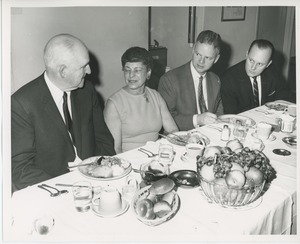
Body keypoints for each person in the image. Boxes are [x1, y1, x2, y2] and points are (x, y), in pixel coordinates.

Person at [11, 34, 116, 191]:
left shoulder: (87, 91)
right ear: (62, 71)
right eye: (83, 66)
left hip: (95, 181)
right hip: (54, 188)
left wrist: (104, 175)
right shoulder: (22, 104)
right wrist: (66, 191)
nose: (89, 70)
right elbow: (21, 169)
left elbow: (103, 139)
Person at [103, 47, 178, 153]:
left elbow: (173, 131)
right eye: (127, 70)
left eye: (137, 70)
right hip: (129, 161)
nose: (131, 75)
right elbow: (115, 149)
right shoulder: (114, 104)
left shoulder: (155, 96)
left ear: (148, 73)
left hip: (156, 157)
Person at [158, 30, 223, 131]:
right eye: (198, 54)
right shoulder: (170, 80)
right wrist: (197, 120)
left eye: (207, 58)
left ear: (216, 59)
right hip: (180, 137)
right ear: (193, 50)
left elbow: (219, 113)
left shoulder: (215, 80)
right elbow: (164, 119)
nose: (201, 61)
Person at [220, 39, 291, 114]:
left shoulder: (273, 75)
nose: (253, 67)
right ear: (247, 54)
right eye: (251, 60)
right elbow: (231, 115)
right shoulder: (228, 79)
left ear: (268, 64)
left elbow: (284, 101)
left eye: (260, 64)